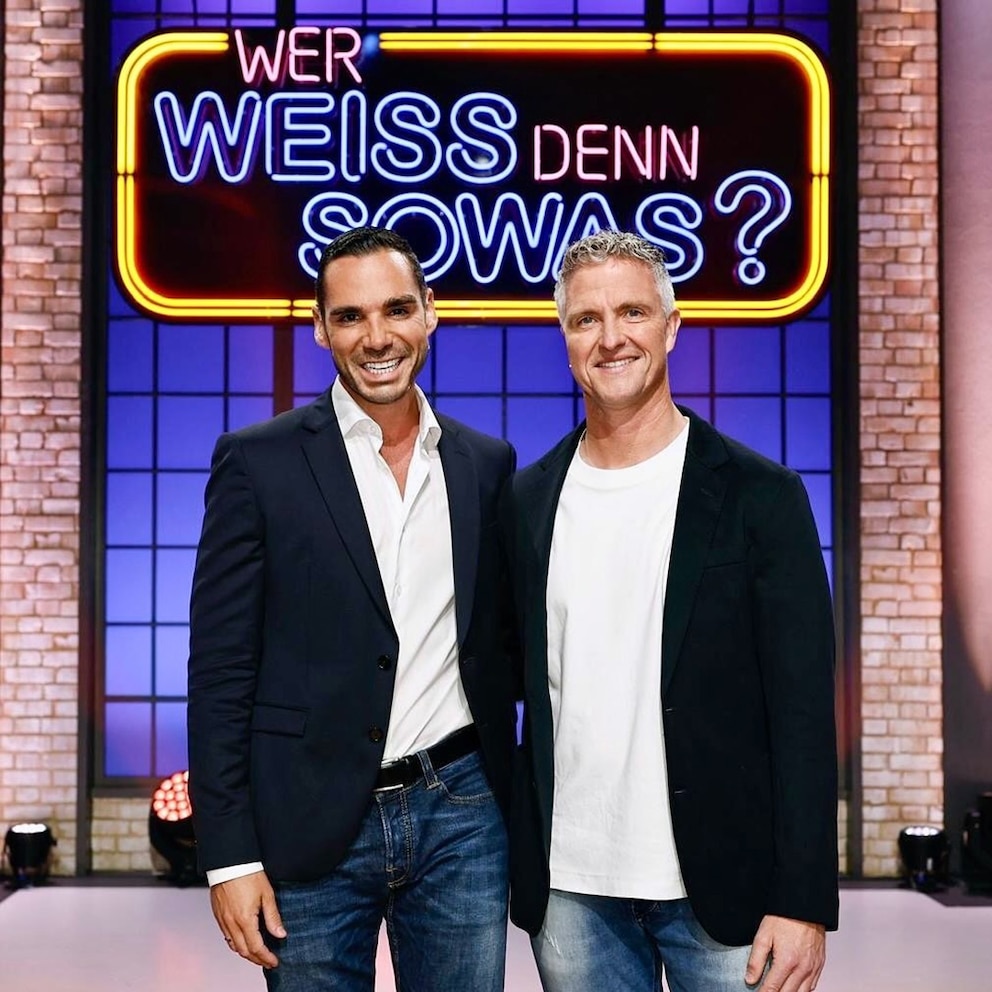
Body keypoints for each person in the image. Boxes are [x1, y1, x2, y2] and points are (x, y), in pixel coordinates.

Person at [501, 230, 838, 992]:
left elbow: (803, 714)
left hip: (727, 893)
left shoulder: (762, 497)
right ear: (565, 339)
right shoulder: (528, 501)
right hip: (573, 891)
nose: (611, 338)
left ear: (671, 326)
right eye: (586, 319)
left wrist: (802, 897)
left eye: (632, 312)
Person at [187, 226, 517, 991]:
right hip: (307, 817)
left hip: (462, 813)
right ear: (320, 327)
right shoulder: (257, 462)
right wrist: (230, 857)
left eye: (396, 309)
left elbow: (507, 643)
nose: (377, 337)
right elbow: (220, 672)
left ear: (430, 312)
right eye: (350, 316)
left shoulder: (486, 464)